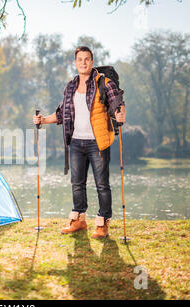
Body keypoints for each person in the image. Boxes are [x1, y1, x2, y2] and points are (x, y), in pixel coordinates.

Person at [33, 46, 126, 239]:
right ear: (75, 62)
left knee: (102, 185)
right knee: (77, 184)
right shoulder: (71, 86)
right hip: (76, 142)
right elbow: (62, 114)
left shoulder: (104, 82)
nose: (83, 62)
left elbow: (116, 100)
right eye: (80, 59)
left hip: (98, 142)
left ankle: (102, 223)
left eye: (87, 59)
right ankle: (79, 220)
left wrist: (120, 112)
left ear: (92, 62)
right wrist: (42, 120)